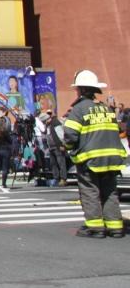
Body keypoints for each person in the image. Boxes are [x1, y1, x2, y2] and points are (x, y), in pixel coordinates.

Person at [63, 70, 127, 238]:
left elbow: (70, 134)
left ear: (81, 90)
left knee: (90, 191)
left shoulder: (78, 110)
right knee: (109, 191)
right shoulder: (105, 108)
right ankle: (115, 227)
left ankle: (95, 227)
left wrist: (68, 147)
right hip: (112, 158)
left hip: (90, 159)